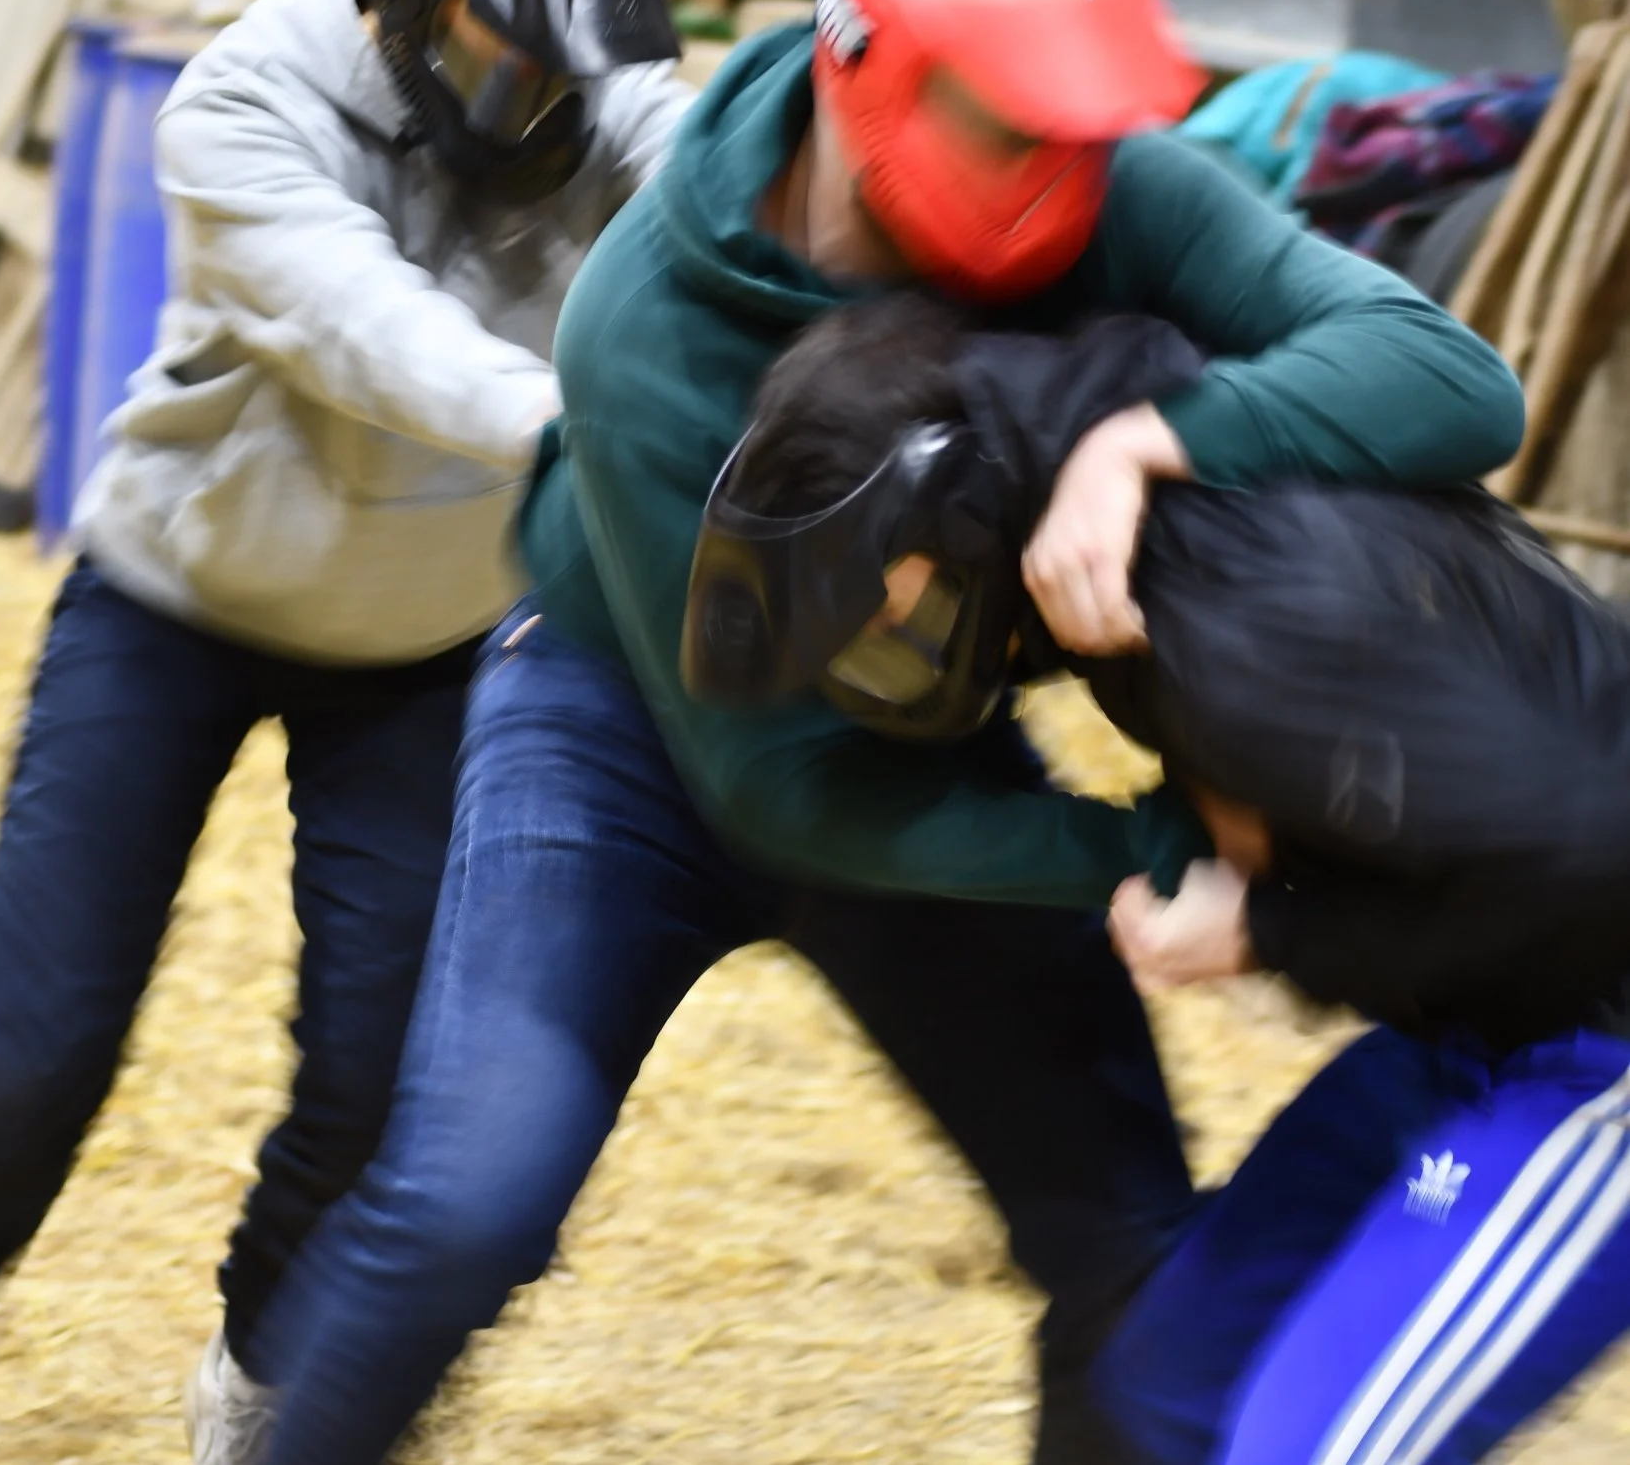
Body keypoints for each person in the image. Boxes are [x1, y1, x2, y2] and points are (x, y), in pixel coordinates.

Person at [251, 0, 1523, 1465]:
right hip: (625, 729)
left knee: (1127, 1242)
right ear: (857, 70)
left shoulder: (1105, 175)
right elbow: (776, 791)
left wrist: (1151, 439)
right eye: (1006, 120)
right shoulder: (645, 321)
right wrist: (1143, 843)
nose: (1056, 164)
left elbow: (1452, 380)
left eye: (1072, 117)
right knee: (465, 1199)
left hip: (916, 716)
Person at [0, 0, 690, 1465]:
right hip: (176, 604)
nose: (539, 110)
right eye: (503, 64)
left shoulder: (588, 70)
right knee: (28, 1056)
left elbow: (717, 179)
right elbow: (376, 336)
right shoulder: (245, 95)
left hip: (431, 642)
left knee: (379, 1085)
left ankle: (273, 1380)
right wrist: (617, 432)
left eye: (564, 73)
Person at [691, 286, 1630, 1465]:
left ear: (965, 516)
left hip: (1597, 1045)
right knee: (1158, 1384)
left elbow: (1597, 849)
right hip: (1471, 1015)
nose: (895, 655)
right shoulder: (1114, 497)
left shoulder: (1244, 624)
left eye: (894, 615)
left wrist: (1270, 932)